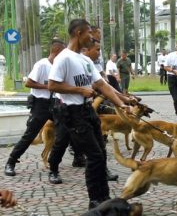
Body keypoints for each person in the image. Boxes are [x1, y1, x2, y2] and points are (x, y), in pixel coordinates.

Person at [47, 19, 133, 209]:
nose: (92, 37)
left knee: (101, 153)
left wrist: (122, 102)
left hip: (87, 111)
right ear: (78, 33)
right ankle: (95, 201)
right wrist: (79, 91)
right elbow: (52, 85)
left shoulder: (85, 60)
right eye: (89, 33)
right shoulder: (64, 58)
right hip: (72, 113)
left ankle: (105, 198)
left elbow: (102, 85)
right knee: (94, 156)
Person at [4, 39, 66, 177]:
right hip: (40, 105)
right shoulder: (42, 65)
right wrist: (47, 86)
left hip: (55, 103)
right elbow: (29, 83)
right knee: (29, 135)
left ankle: (57, 164)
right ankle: (11, 162)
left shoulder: (59, 66)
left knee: (65, 132)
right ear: (56, 51)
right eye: (63, 52)